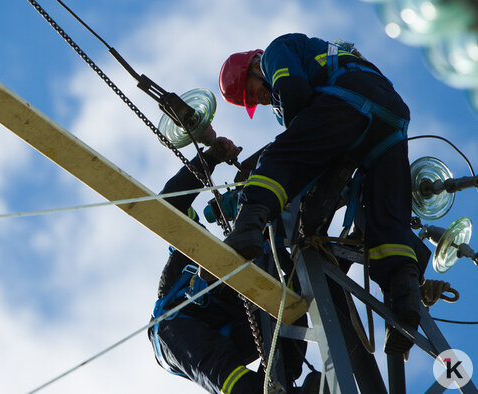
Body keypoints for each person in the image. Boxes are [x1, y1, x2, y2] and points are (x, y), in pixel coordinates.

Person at [218, 33, 423, 355]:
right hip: (392, 117)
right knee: (386, 215)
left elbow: (294, 93)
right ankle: (405, 301)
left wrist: (288, 162)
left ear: (255, 65)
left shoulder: (276, 51)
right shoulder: (329, 57)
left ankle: (247, 226)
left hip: (350, 98)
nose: (260, 99)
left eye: (252, 92)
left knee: (280, 159)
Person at [148, 134, 317, 394]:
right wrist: (210, 158)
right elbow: (169, 205)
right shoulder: (190, 249)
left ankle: (281, 385)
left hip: (231, 329)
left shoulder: (256, 262)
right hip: (178, 325)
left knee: (289, 309)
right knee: (218, 365)